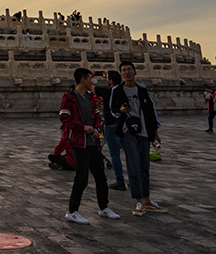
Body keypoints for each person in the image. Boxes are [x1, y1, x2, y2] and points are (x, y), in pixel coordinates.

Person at [61, 68, 120, 224]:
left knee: (101, 177)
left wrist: (96, 129)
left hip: (93, 143)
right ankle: (72, 211)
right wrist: (83, 127)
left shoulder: (90, 97)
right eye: (89, 78)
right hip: (79, 143)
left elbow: (97, 116)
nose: (91, 81)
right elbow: (64, 117)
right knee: (81, 179)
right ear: (82, 80)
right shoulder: (69, 97)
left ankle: (103, 207)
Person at [109, 61, 167, 216]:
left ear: (135, 72)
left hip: (144, 131)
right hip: (128, 132)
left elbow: (150, 111)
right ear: (121, 74)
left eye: (129, 70)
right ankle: (138, 201)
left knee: (144, 166)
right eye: (124, 70)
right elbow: (112, 111)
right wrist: (121, 110)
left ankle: (147, 200)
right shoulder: (117, 90)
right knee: (133, 166)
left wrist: (155, 131)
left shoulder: (142, 89)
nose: (127, 72)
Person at [95, 71, 126, 191]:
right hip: (123, 124)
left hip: (111, 125)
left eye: (107, 78)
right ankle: (138, 177)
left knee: (114, 154)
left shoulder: (107, 92)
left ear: (111, 81)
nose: (106, 79)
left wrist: (96, 73)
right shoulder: (124, 90)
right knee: (130, 152)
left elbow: (88, 85)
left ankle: (120, 181)